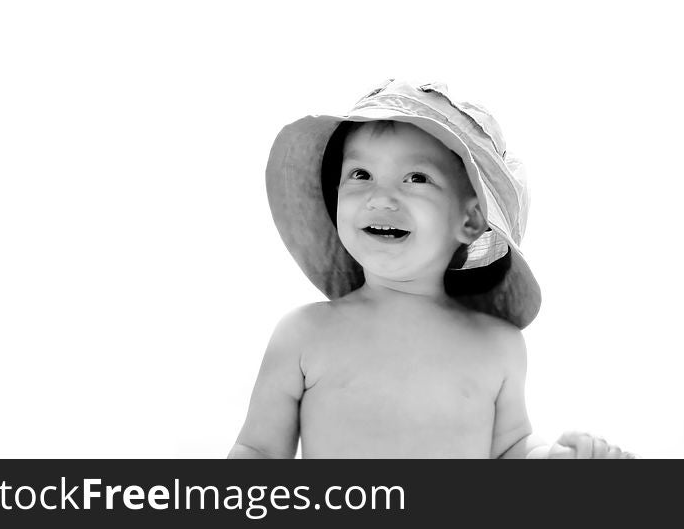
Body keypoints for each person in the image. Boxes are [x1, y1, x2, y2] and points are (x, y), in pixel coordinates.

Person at [229, 80, 635, 458]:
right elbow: (258, 451)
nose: (380, 197)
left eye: (416, 177)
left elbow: (511, 449)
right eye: (360, 174)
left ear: (472, 220)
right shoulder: (304, 334)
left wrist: (555, 457)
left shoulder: (498, 345)